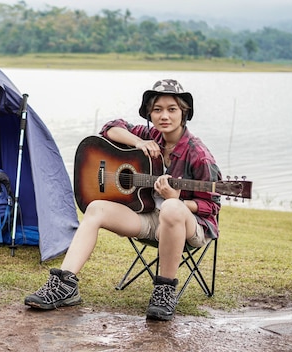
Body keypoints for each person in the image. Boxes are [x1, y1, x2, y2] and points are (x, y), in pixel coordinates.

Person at [24, 79, 221, 321]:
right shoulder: (150, 135)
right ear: (150, 113)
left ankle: (165, 290)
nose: (164, 116)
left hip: (189, 226)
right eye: (157, 110)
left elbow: (211, 207)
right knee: (96, 208)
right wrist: (138, 142)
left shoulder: (199, 154)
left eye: (172, 109)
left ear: (184, 113)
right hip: (149, 218)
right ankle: (65, 285)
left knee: (170, 207)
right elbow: (110, 128)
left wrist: (178, 202)